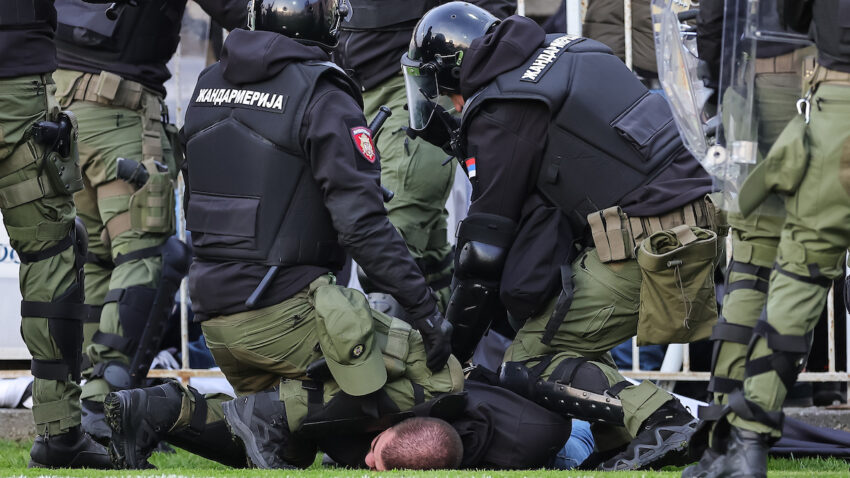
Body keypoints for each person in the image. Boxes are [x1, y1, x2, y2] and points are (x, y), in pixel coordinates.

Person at [101, 0, 456, 467]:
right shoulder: (324, 90)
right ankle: (265, 411)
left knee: (298, 445)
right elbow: (364, 227)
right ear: (311, 16)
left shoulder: (208, 85)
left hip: (218, 318)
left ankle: (161, 409)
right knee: (444, 379)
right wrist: (427, 314)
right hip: (286, 314)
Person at [402, 2, 722, 471]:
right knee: (566, 338)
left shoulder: (499, 108)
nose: (445, 104)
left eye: (438, 89)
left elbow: (485, 251)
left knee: (530, 361)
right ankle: (620, 440)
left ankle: (664, 420)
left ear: (451, 74)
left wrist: (453, 348)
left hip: (650, 238)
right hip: (693, 218)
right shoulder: (571, 49)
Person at [50, 0, 247, 441]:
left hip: (58, 107)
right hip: (121, 110)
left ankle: (85, 406)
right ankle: (104, 409)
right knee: (146, 258)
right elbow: (238, 9)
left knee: (94, 261)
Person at [685, 1, 850, 476]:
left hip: (777, 75)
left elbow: (721, 16)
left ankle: (730, 432)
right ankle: (734, 434)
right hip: (808, 74)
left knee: (764, 263)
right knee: (794, 265)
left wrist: (719, 90)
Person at [333, 0, 515, 317]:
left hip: (416, 82)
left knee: (389, 249)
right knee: (425, 253)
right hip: (352, 82)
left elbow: (489, 11)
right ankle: (447, 359)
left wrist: (472, 74)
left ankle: (399, 364)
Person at [0, 0, 110, 468]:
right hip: (18, 77)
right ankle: (58, 429)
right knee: (52, 256)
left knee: (56, 253)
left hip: (23, 72)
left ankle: (60, 430)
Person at [104, 372, 570, 470]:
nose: (367, 465)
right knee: (269, 435)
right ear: (384, 431)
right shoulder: (365, 425)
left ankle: (161, 407)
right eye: (375, 458)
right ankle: (161, 405)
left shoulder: (538, 436)